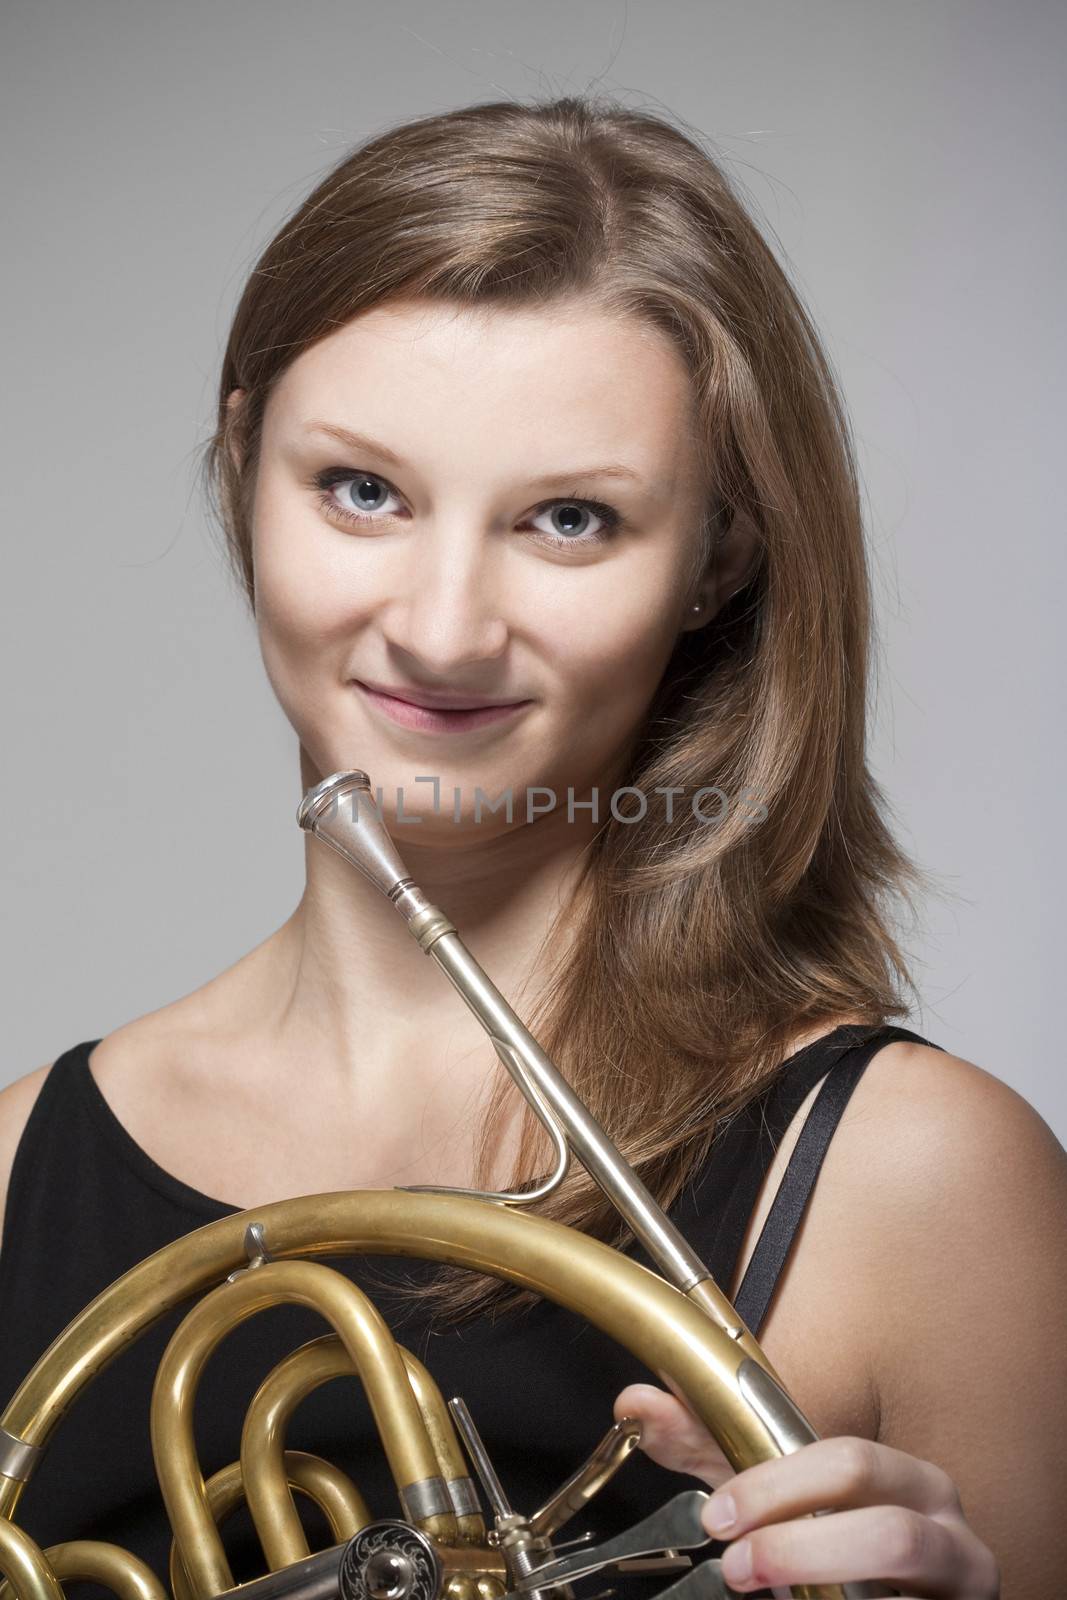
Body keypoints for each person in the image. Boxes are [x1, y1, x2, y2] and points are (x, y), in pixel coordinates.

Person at [0, 94, 1063, 1600]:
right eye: (360, 491)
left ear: (722, 557)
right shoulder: (9, 1172)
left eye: (568, 520)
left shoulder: (924, 1186)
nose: (441, 628)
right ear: (244, 465)